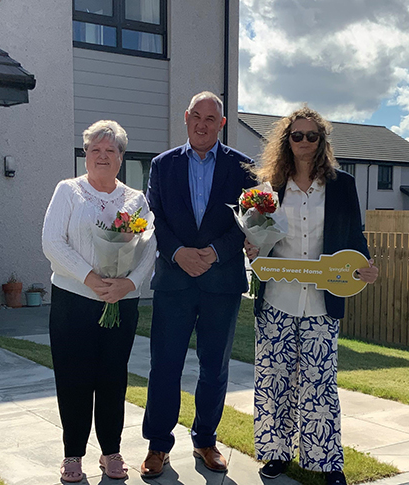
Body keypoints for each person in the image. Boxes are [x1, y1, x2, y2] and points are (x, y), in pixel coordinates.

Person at [245, 107, 378, 485]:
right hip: (277, 300)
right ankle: (276, 453)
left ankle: (325, 461)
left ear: (322, 141)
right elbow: (256, 237)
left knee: (319, 383)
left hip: (323, 300)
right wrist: (252, 248)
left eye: (311, 136)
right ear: (285, 141)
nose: (303, 142)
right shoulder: (268, 186)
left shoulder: (342, 185)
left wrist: (365, 264)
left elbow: (355, 237)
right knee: (274, 379)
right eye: (296, 135)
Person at [140, 91, 256, 477]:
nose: (203, 125)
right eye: (197, 117)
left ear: (222, 124)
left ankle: (205, 439)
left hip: (221, 283)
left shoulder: (243, 168)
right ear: (186, 118)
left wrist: (215, 252)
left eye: (212, 119)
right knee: (165, 367)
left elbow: (250, 221)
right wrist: (178, 253)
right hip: (175, 281)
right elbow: (154, 214)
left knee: (214, 368)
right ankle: (158, 446)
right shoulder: (162, 165)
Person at [42, 120, 156, 482]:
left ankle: (111, 451)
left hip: (121, 301)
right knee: (73, 379)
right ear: (86, 155)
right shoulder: (68, 191)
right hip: (73, 301)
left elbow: (150, 247)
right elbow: (52, 242)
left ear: (121, 157)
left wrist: (129, 283)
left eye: (111, 150)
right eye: (96, 150)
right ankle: (72, 454)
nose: (103, 156)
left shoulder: (135, 199)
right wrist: (91, 279)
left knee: (112, 379)